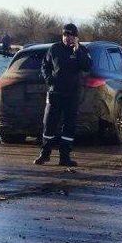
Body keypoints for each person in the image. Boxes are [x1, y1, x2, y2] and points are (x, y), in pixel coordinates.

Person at [34, 23, 92, 167]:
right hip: (55, 92)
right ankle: (45, 153)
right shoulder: (54, 49)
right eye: (65, 35)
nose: (67, 38)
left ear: (76, 37)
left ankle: (65, 156)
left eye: (71, 35)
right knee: (49, 123)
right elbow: (45, 65)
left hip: (72, 94)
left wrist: (77, 51)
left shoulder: (81, 50)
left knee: (69, 125)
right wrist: (48, 78)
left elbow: (87, 66)